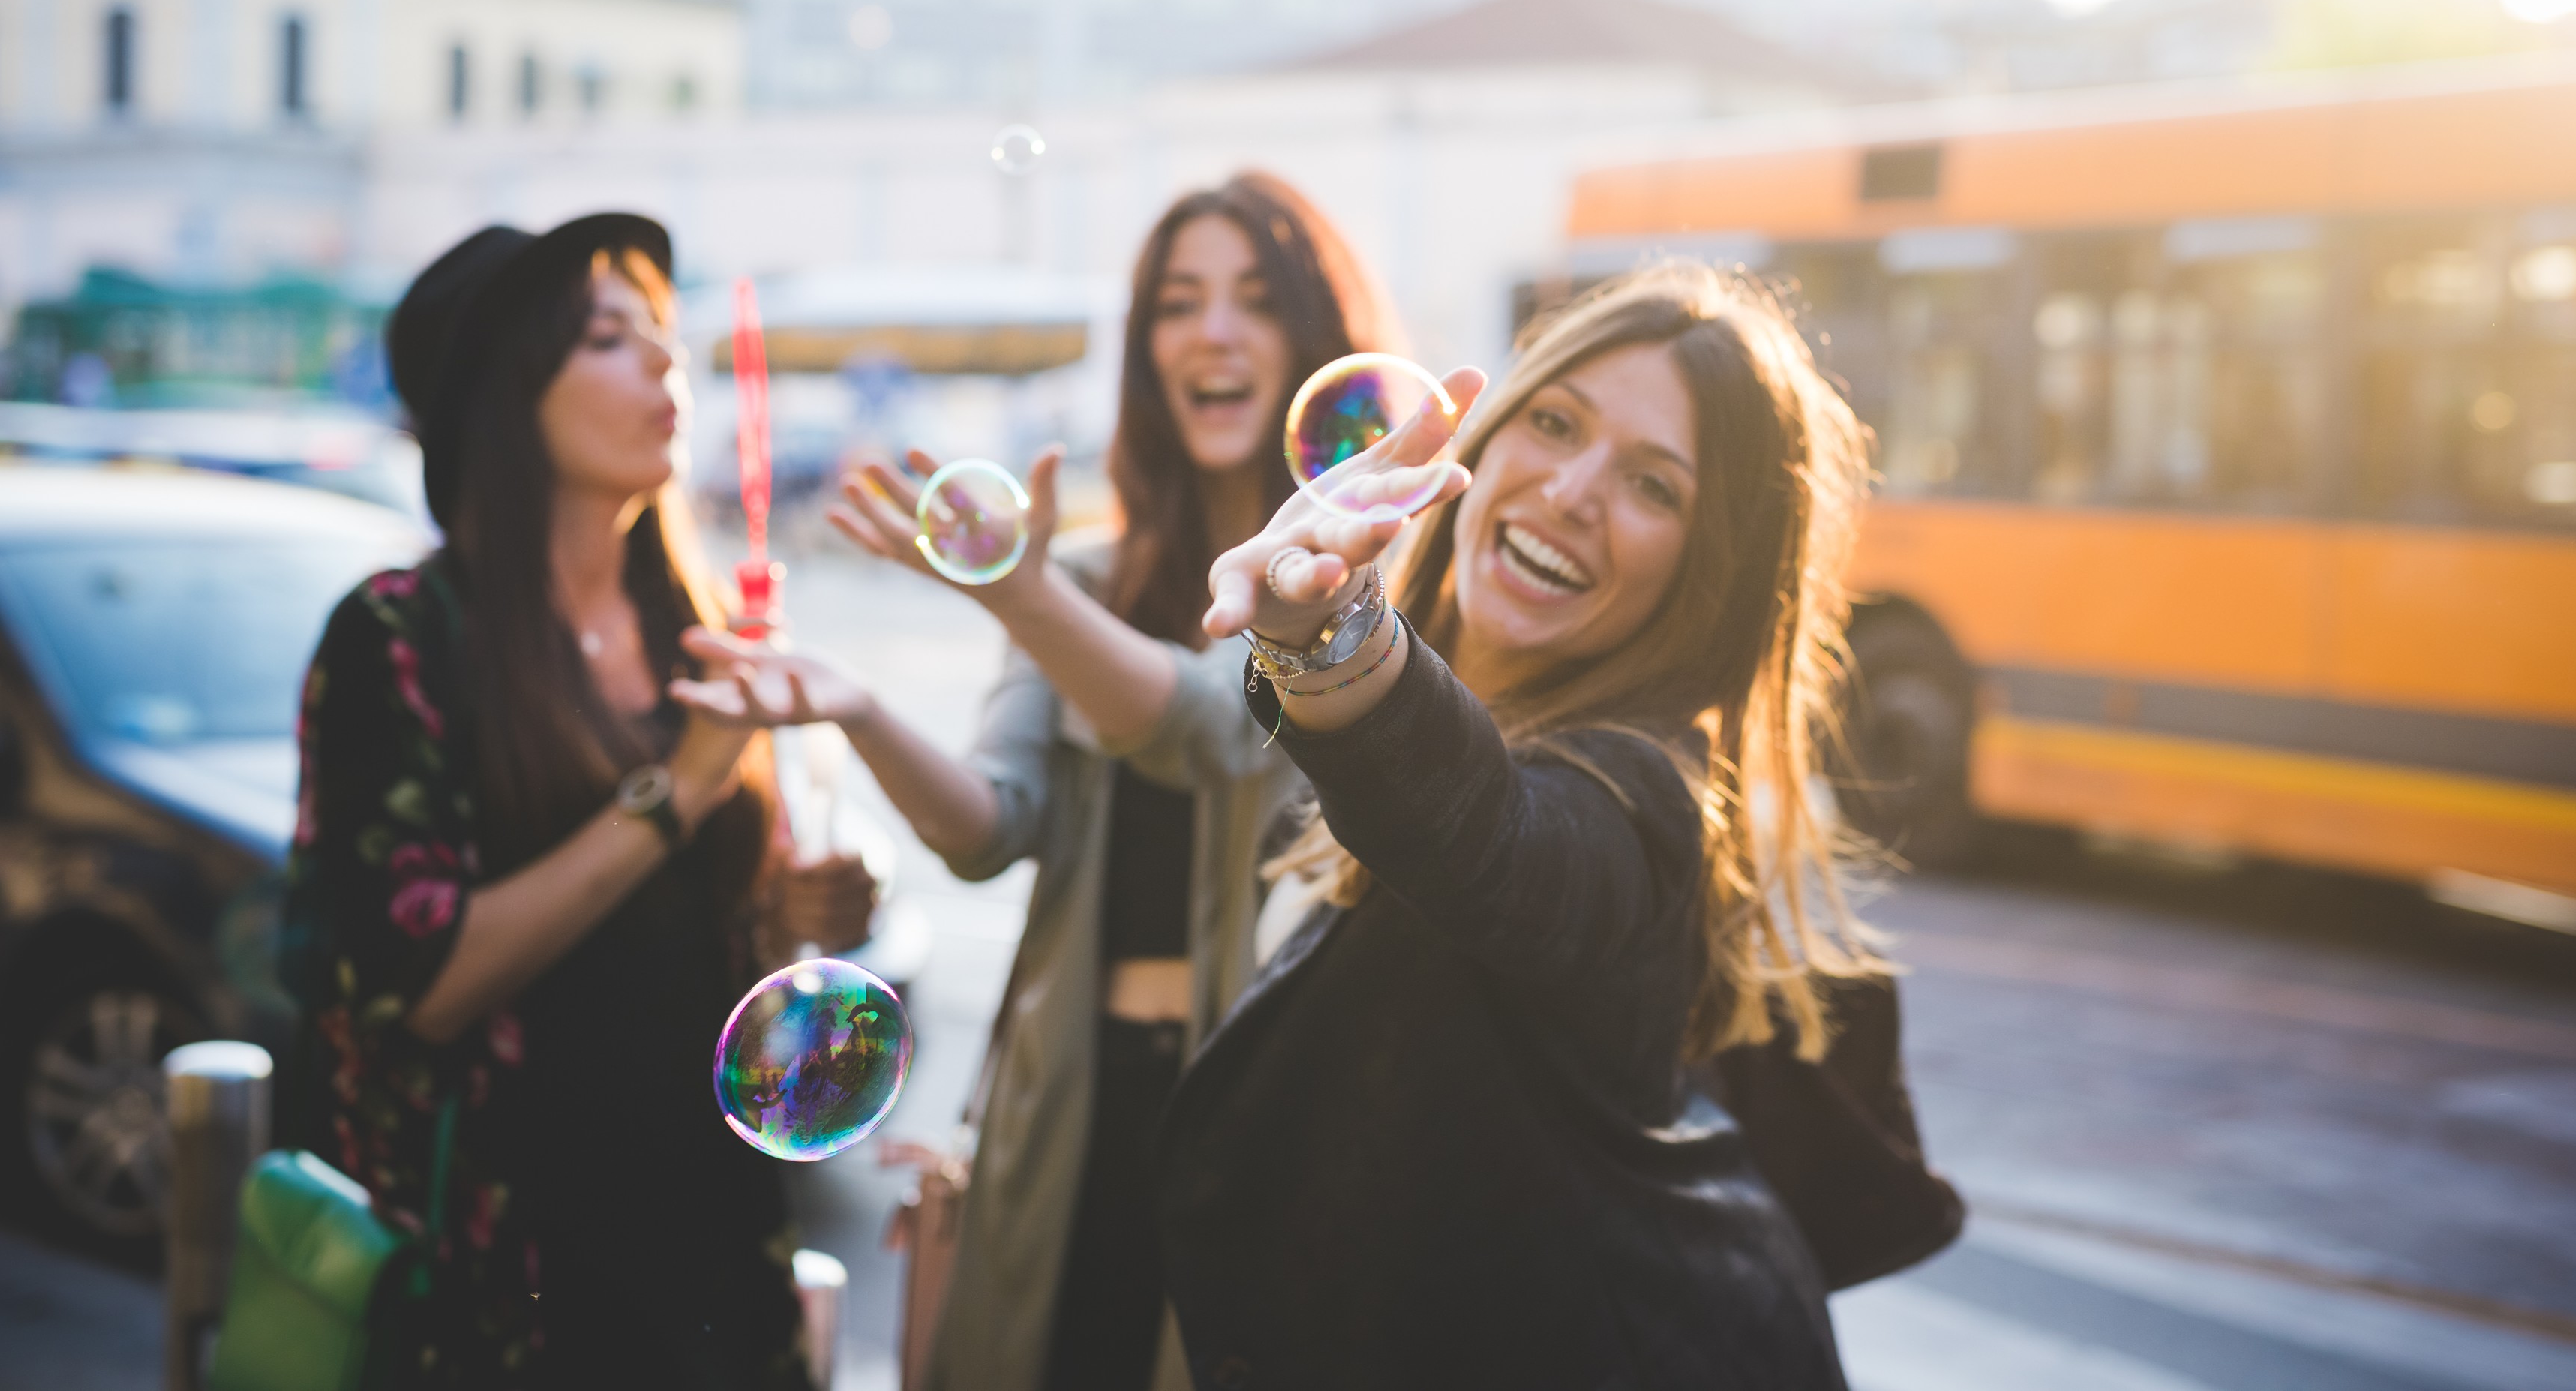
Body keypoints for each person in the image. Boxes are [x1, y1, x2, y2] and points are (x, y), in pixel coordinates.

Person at [695, 174, 1397, 1391]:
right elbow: (986, 827)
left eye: (1253, 300)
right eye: (1179, 303)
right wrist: (857, 705)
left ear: (1312, 335)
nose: (1213, 332)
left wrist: (1014, 588)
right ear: (1146, 349)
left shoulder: (1355, 585)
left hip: (1273, 1112)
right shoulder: (1081, 575)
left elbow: (1207, 728)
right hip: (1062, 1113)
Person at [1168, 260, 1884, 1390]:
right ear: (1486, 438)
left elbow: (1493, 841)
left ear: (1707, 571)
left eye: (1655, 487)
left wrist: (1335, 635)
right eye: (1554, 423)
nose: (1571, 490)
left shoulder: (1643, 799)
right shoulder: (1410, 726)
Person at [281, 214, 878, 1389]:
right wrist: (679, 792)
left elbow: (709, 937)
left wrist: (808, 911)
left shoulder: (691, 625)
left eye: (666, 333)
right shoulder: (399, 637)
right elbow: (427, 984)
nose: (667, 362)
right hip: (512, 1256)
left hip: (709, 1231)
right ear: (505, 393)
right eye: (610, 337)